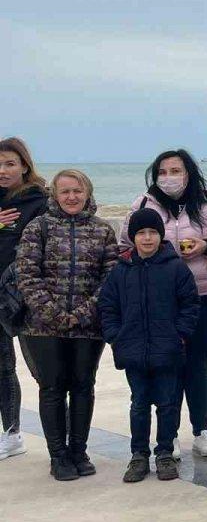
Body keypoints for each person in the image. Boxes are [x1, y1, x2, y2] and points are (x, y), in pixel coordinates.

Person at [120, 149, 207, 458]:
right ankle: (170, 435)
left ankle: (201, 430)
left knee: (199, 363)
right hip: (163, 298)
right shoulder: (144, 203)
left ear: (189, 171)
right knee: (170, 364)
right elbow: (127, 243)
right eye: (163, 171)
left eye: (176, 170)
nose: (169, 177)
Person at [14, 170, 117, 480]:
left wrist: (84, 312)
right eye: (65, 191)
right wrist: (53, 312)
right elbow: (27, 274)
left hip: (88, 326)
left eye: (77, 191)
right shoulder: (38, 227)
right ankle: (58, 456)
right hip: (43, 327)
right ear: (54, 195)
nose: (72, 197)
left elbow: (110, 278)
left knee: (84, 385)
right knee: (53, 388)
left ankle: (79, 450)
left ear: (87, 192)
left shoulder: (102, 231)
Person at [100, 208, 200, 483]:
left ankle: (165, 453)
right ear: (133, 237)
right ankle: (139, 455)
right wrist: (115, 335)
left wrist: (179, 334)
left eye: (152, 232)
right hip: (133, 351)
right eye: (141, 233)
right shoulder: (121, 270)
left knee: (168, 404)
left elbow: (190, 304)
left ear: (160, 236)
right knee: (139, 404)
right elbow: (108, 306)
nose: (147, 238)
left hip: (167, 350)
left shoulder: (175, 267)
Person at [0, 138, 49, 461]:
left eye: (9, 164)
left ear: (25, 166)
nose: (2, 171)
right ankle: (12, 432)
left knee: (43, 370)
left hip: (29, 296)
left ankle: (62, 439)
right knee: (3, 367)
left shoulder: (40, 201)